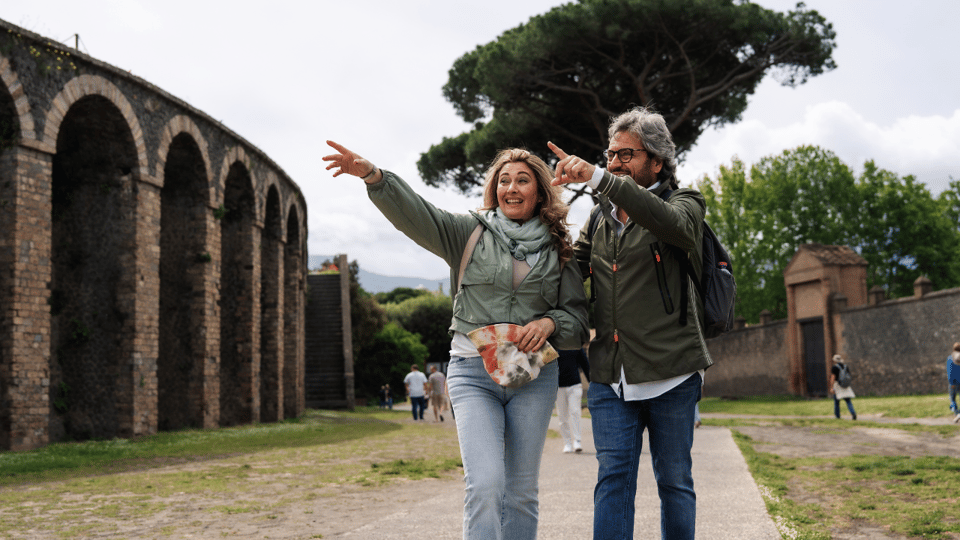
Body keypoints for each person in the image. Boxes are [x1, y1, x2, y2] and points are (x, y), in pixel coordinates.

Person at [323, 141, 589, 540]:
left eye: (522, 180)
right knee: (484, 484)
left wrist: (551, 323)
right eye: (504, 181)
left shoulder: (558, 248)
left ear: (539, 191)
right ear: (493, 189)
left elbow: (578, 321)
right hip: (471, 372)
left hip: (532, 379)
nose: (511, 188)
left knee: (520, 493)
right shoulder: (468, 232)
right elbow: (418, 215)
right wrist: (374, 177)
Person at [548, 106, 712, 540]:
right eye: (610, 155)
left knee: (674, 482)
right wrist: (540, 212)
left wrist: (602, 181)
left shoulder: (685, 203)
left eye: (626, 155)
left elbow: (670, 224)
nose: (614, 163)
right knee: (613, 481)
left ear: (656, 160)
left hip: (672, 373)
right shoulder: (601, 215)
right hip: (609, 375)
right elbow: (572, 268)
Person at [556, 347, 590, 453]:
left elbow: (585, 364)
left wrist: (592, 384)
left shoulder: (575, 345)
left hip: (575, 384)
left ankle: (577, 441)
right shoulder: (554, 344)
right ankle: (567, 443)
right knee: (562, 417)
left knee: (575, 412)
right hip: (558, 387)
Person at [829, 354, 857, 420]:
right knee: (848, 401)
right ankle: (853, 413)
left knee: (836, 401)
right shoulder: (845, 366)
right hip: (845, 385)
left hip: (837, 385)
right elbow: (848, 376)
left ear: (834, 360)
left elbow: (833, 378)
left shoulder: (834, 367)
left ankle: (837, 416)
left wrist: (831, 387)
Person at [947, 342, 960, 423]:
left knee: (952, 399)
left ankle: (957, 413)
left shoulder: (950, 358)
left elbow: (950, 371)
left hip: (954, 382)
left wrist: (951, 382)